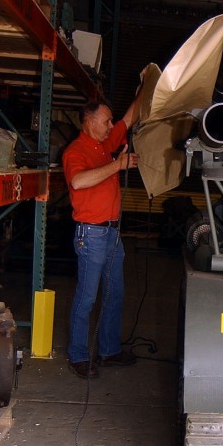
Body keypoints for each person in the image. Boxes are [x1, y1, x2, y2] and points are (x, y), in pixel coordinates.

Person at [62, 93, 142, 378]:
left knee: (114, 294)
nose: (111, 126)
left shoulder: (103, 145)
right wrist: (117, 166)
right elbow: (78, 180)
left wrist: (148, 84)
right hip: (91, 235)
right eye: (106, 121)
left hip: (111, 233)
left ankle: (108, 351)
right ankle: (79, 355)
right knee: (87, 297)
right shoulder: (76, 151)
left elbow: (130, 118)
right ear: (89, 120)